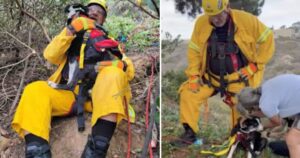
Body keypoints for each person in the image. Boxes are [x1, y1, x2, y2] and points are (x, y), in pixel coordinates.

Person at [11, 0, 135, 157]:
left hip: (99, 99)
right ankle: (37, 152)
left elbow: (129, 70)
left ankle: (96, 151)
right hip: (68, 95)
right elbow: (50, 55)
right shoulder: (71, 35)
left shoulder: (109, 41)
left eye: (100, 12)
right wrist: (72, 29)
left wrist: (119, 66)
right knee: (34, 90)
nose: (95, 12)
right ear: (84, 13)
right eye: (91, 9)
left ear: (103, 19)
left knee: (114, 74)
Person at [172, 0, 274, 147]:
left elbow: (268, 38)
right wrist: (194, 75)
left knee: (241, 109)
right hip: (210, 78)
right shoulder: (201, 23)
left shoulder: (246, 20)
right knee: (188, 94)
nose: (216, 19)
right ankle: (189, 134)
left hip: (239, 80)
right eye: (211, 16)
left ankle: (240, 139)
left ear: (227, 7)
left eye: (219, 15)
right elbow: (194, 50)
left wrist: (255, 65)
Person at [237, 74, 300, 158]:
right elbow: (269, 111)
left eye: (250, 110)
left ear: (254, 106)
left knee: (292, 139)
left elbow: (277, 122)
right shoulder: (265, 88)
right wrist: (250, 114)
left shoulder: (266, 104)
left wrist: (261, 127)